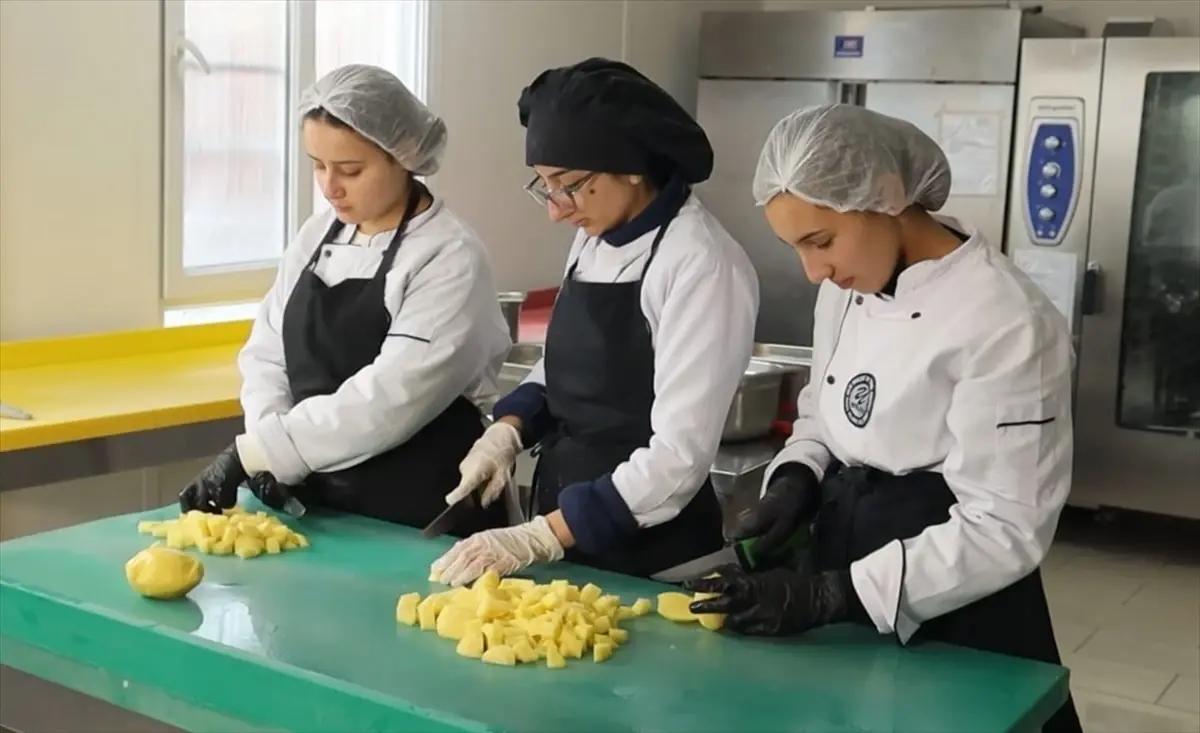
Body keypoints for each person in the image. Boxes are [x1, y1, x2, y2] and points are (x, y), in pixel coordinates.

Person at [687, 104, 1082, 733]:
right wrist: (796, 477)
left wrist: (831, 596)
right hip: (843, 558)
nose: (813, 272)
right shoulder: (844, 288)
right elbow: (825, 408)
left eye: (821, 241)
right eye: (796, 247)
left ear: (888, 196)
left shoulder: (1008, 319)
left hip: (955, 597)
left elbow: (1006, 527)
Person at [428, 58, 760, 585]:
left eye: (570, 185)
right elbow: (567, 365)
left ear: (631, 166)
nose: (556, 210)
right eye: (545, 186)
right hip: (570, 536)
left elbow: (677, 459)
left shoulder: (702, 263)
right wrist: (510, 429)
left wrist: (540, 536)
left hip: (654, 559)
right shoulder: (595, 236)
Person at [178, 64, 511, 535]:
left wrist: (264, 451)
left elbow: (392, 397)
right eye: (318, 165)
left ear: (403, 156)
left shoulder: (448, 255)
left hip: (418, 513)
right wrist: (269, 444)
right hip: (316, 504)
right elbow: (268, 353)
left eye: (350, 170)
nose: (329, 186)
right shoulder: (316, 236)